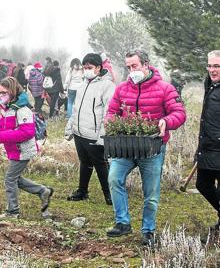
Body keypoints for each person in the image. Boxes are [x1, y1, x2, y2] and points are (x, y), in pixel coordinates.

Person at [105, 49, 186, 246]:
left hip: (152, 148)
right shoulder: (122, 88)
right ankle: (122, 222)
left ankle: (148, 230)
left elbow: (179, 113)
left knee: (151, 193)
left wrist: (166, 121)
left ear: (146, 64)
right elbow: (112, 112)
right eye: (128, 67)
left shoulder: (165, 88)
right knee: (114, 179)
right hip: (125, 146)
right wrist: (110, 123)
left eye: (135, 66)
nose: (131, 70)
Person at [65, 53, 115, 205]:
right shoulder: (82, 84)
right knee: (84, 162)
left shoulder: (107, 86)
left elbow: (109, 112)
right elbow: (75, 108)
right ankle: (82, 190)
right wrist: (70, 127)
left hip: (94, 134)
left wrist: (103, 135)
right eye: (84, 67)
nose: (86, 70)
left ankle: (110, 195)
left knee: (101, 164)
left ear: (99, 68)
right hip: (80, 132)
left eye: (90, 68)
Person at [0, 77, 53, 219]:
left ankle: (13, 211)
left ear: (12, 91)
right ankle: (43, 191)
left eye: (4, 92)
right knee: (14, 178)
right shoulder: (8, 108)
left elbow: (27, 132)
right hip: (14, 149)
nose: (1, 95)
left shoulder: (22, 109)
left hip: (23, 150)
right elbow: (4, 127)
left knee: (10, 179)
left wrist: (1, 136)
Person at [195, 50, 220, 232]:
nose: (212, 70)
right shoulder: (209, 84)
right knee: (202, 184)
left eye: (217, 66)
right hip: (207, 145)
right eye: (210, 65)